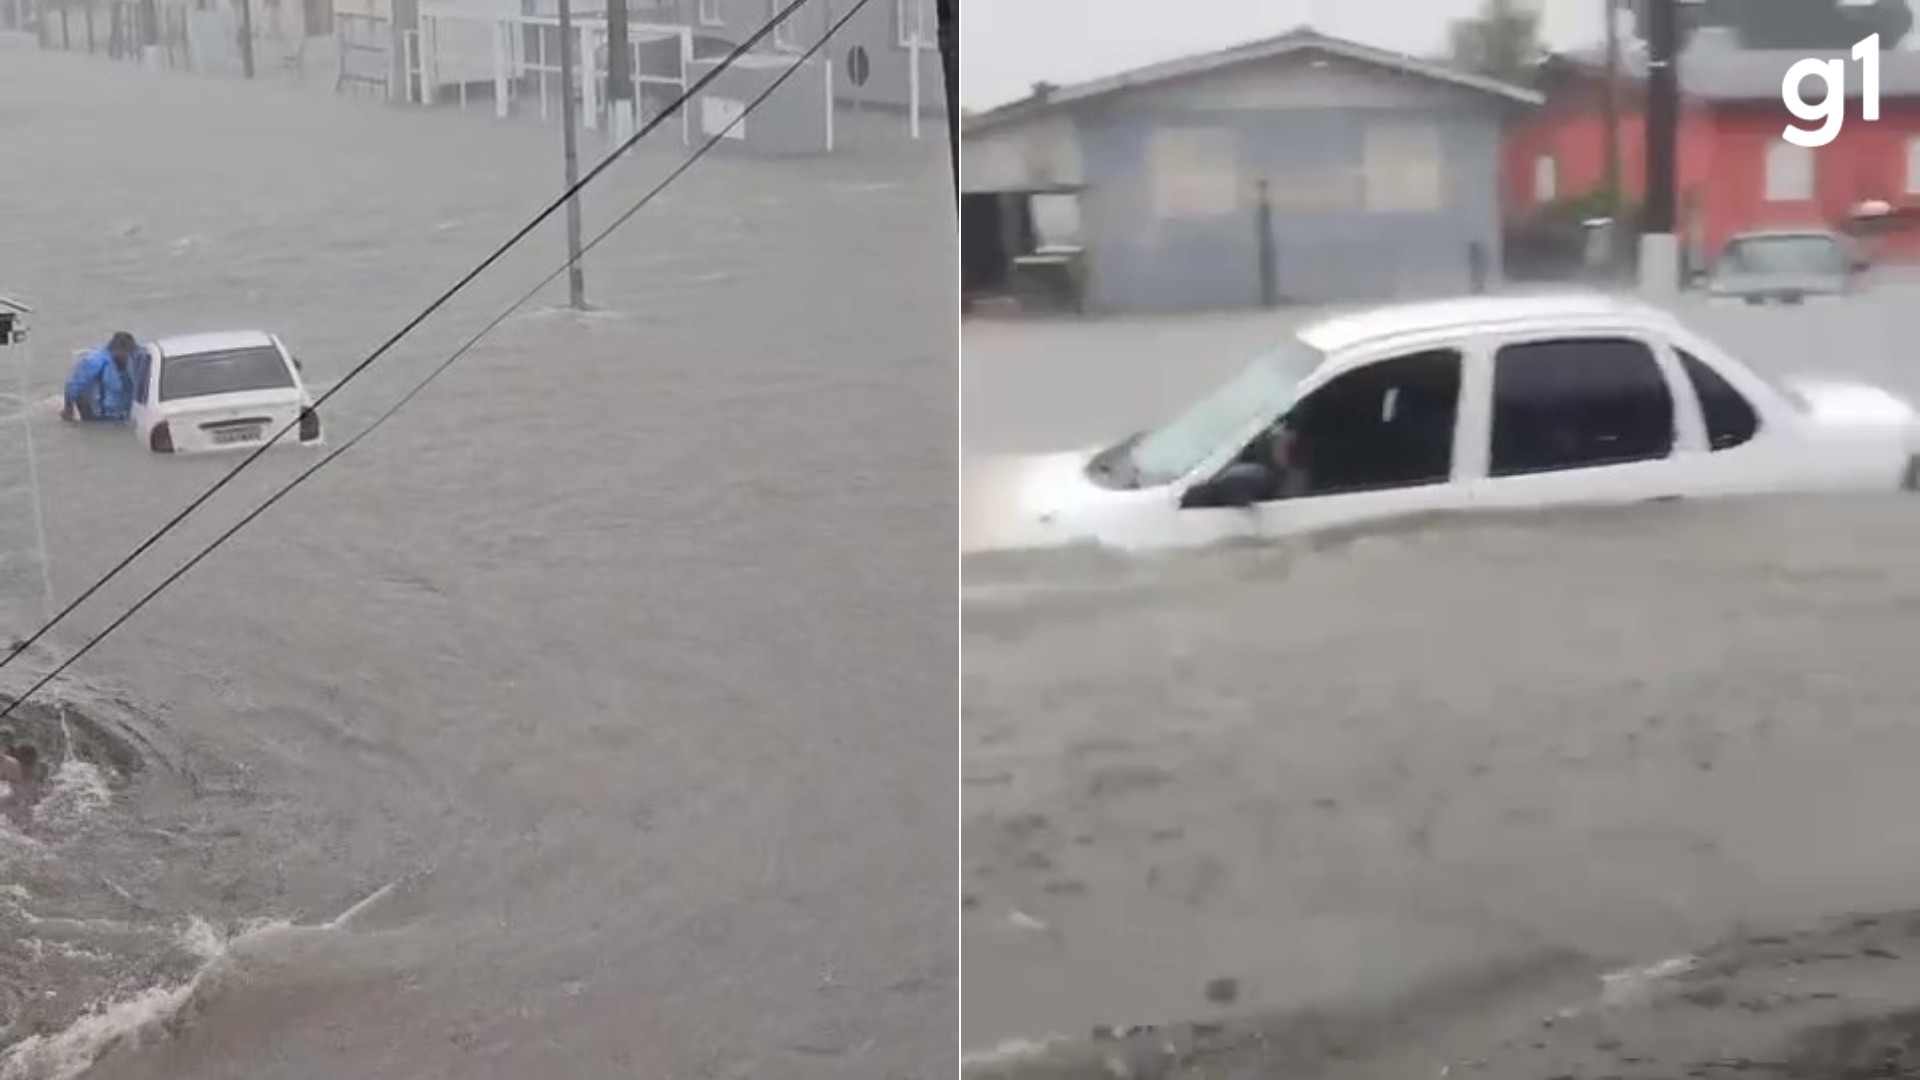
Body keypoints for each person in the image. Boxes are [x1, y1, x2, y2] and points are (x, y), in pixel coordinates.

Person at [62, 331, 143, 424]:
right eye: (127, 353)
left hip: (121, 416)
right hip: (98, 418)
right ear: (117, 350)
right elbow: (72, 386)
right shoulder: (95, 362)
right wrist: (68, 409)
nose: (129, 356)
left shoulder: (132, 359)